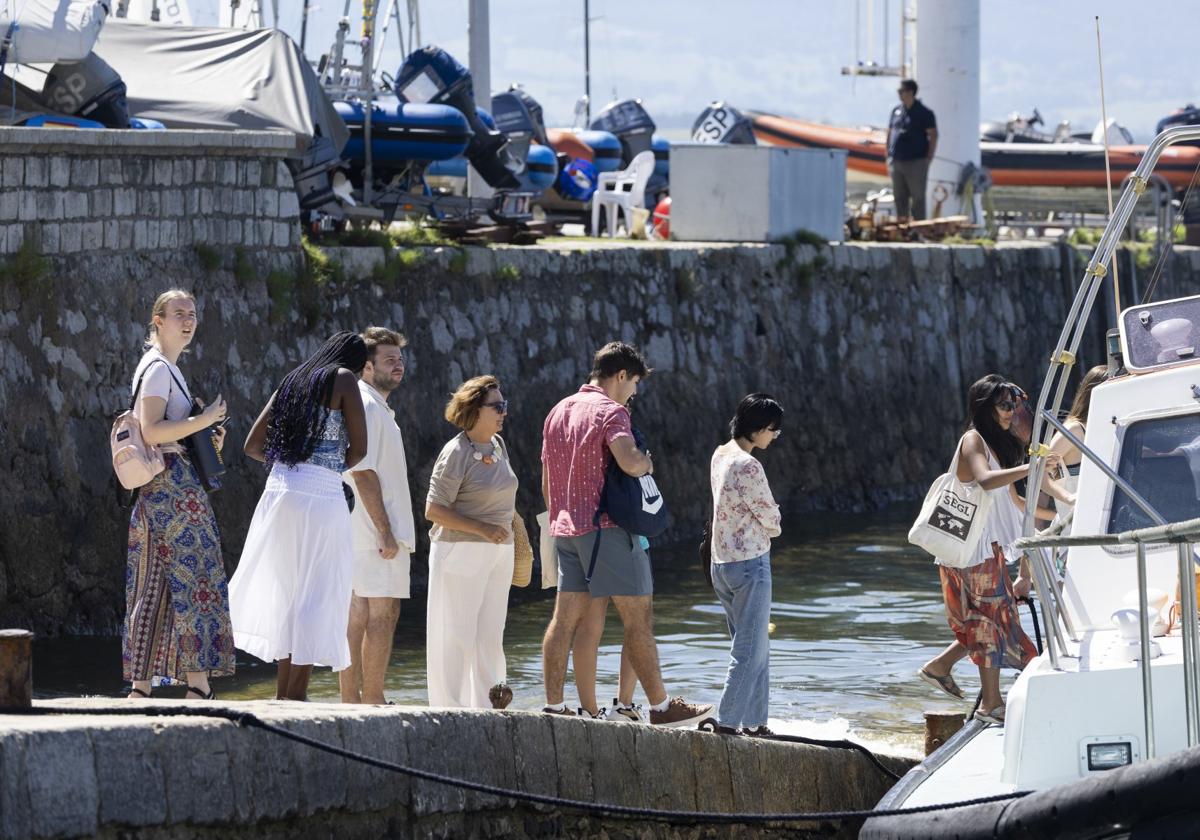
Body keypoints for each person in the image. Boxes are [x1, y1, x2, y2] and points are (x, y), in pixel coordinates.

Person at [540, 341, 713, 727]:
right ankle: (662, 707)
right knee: (639, 618)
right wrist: (647, 461)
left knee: (564, 620)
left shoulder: (558, 411)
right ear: (621, 376)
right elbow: (629, 461)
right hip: (607, 529)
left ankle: (553, 705)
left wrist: (560, 519)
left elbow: (547, 482)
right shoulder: (610, 411)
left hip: (565, 529)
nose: (634, 391)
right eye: (634, 382)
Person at [229, 332, 368, 701]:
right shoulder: (344, 379)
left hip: (278, 492)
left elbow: (252, 446)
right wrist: (325, 466)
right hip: (320, 495)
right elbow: (361, 449)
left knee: (289, 594)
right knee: (317, 593)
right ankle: (298, 695)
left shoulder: (292, 381)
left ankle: (283, 695)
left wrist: (293, 464)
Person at [918, 375, 1063, 724]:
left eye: (1014, 404)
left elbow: (1013, 502)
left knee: (991, 620)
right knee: (990, 623)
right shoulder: (973, 440)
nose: (1012, 412)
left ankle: (942, 667)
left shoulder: (995, 447)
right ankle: (990, 704)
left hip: (987, 549)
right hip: (972, 550)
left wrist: (1066, 514)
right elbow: (984, 480)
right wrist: (1033, 466)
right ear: (985, 407)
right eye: (1004, 405)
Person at [123, 289, 234, 700]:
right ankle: (197, 687)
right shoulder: (157, 370)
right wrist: (202, 419)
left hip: (165, 487)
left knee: (156, 580)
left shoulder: (166, 368)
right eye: (178, 314)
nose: (187, 320)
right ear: (158, 320)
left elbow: (169, 431)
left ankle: (142, 687)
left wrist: (205, 434)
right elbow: (151, 430)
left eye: (192, 314)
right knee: (197, 578)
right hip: (172, 489)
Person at [424, 375, 518, 708]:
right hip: (459, 551)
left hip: (498, 553)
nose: (504, 412)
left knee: (491, 637)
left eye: (503, 406)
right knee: (456, 636)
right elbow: (433, 510)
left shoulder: (498, 445)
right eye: (498, 406)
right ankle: (450, 708)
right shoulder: (455, 452)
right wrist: (482, 529)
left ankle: (491, 706)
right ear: (475, 409)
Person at [339, 327, 416, 705]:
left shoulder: (371, 404)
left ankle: (353, 700)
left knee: (360, 612)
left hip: (361, 527)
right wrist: (385, 531)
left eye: (400, 359)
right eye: (389, 359)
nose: (398, 365)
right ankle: (371, 698)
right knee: (382, 614)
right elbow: (362, 470)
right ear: (367, 367)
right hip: (373, 529)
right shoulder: (368, 406)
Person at [709, 394, 784, 736]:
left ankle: (756, 724)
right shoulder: (749, 465)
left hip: (721, 563)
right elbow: (771, 518)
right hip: (750, 564)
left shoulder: (720, 454)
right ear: (757, 429)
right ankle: (727, 722)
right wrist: (776, 521)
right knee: (750, 650)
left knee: (754, 647)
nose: (774, 436)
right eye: (772, 430)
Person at [886, 78, 938, 220]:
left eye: (901, 91)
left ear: (910, 92)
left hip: (916, 161)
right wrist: (888, 153)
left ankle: (919, 228)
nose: (899, 94)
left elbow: (933, 135)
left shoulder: (924, 113)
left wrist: (929, 158)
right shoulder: (896, 111)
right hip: (897, 160)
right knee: (899, 196)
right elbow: (890, 132)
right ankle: (902, 227)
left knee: (918, 197)